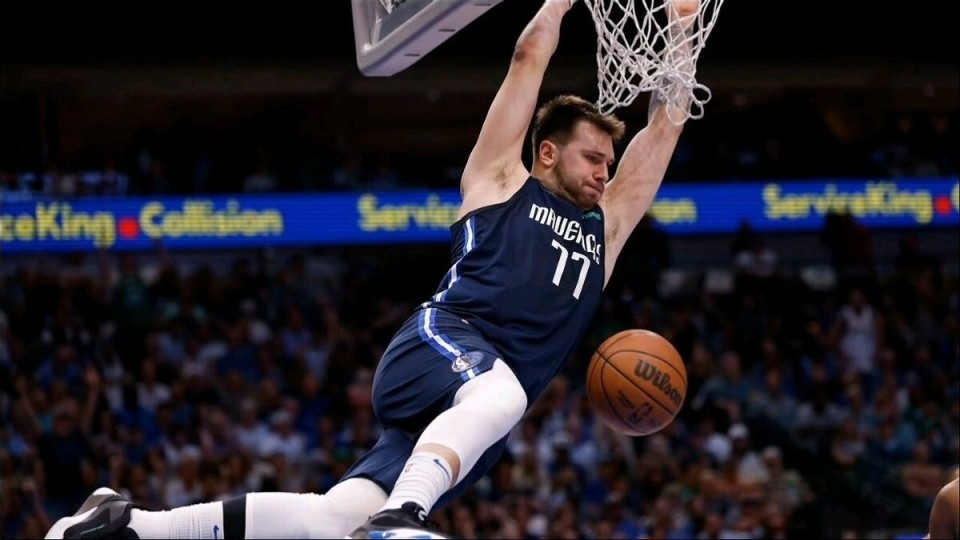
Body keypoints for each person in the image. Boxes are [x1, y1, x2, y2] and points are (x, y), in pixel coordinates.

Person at [44, 0, 700, 538]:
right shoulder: (501, 181)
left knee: (333, 520)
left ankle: (127, 526)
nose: (604, 172)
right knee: (501, 398)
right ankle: (404, 516)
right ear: (548, 152)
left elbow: (666, 128)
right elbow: (528, 55)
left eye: (609, 163)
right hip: (444, 344)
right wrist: (558, 3)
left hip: (473, 415)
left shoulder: (607, 230)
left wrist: (681, 28)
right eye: (592, 158)